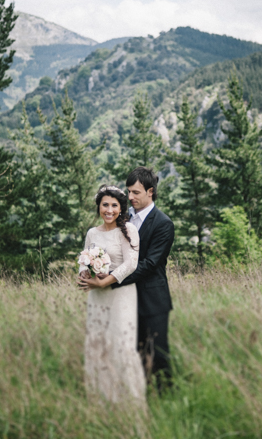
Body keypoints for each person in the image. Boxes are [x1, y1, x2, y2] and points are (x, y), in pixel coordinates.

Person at [77, 185, 146, 404]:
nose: (109, 210)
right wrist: (84, 274)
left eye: (114, 205)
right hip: (97, 297)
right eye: (105, 205)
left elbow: (131, 264)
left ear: (121, 208)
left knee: (121, 344)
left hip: (121, 294)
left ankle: (129, 400)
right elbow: (83, 260)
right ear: (98, 206)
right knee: (98, 343)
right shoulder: (92, 233)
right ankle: (101, 398)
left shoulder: (128, 230)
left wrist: (106, 281)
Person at [113, 166, 175, 391]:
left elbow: (150, 264)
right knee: (134, 351)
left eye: (136, 192)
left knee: (158, 353)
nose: (130, 197)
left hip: (153, 300)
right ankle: (140, 393)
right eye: (128, 192)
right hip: (126, 299)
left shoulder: (163, 224)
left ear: (150, 191)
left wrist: (113, 279)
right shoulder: (123, 218)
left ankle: (167, 395)